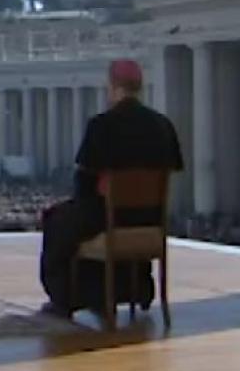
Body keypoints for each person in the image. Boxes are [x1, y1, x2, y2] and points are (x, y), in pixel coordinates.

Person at [39, 59, 184, 317]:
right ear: (139, 87)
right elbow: (174, 167)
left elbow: (85, 181)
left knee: (57, 221)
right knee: (78, 220)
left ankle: (68, 298)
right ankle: (135, 288)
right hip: (151, 219)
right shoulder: (163, 125)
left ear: (113, 86)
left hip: (107, 214)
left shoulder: (102, 125)